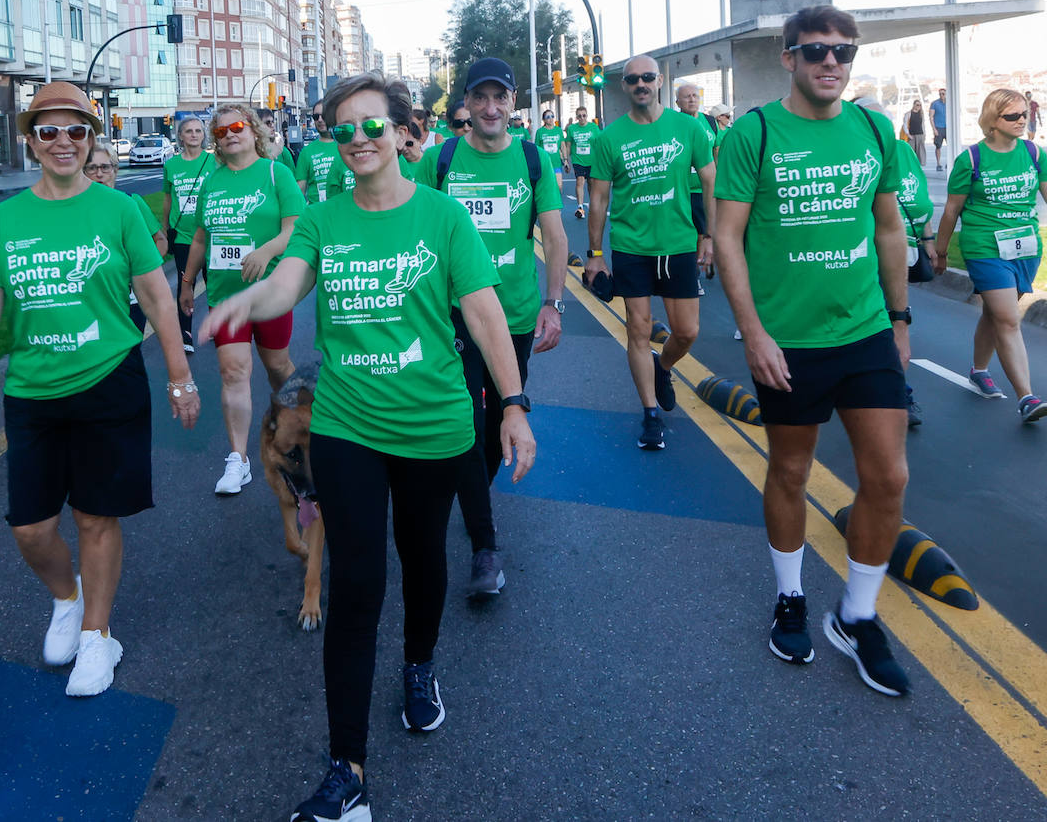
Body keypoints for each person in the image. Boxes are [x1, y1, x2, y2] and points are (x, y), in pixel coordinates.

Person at [200, 71, 535, 822]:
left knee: (422, 564)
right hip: (347, 426)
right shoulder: (323, 219)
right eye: (342, 130)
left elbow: (483, 316)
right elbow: (289, 288)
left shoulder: (445, 218)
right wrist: (244, 303)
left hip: (435, 426)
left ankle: (419, 667)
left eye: (370, 126)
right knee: (357, 586)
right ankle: (346, 769)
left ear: (402, 130)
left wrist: (512, 406)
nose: (357, 140)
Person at [0, 82, 201, 696]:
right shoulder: (8, 219)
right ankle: (67, 597)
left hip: (109, 380)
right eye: (49, 131)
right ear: (30, 140)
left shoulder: (119, 210)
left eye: (76, 131)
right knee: (30, 526)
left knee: (94, 516)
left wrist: (180, 376)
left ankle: (97, 637)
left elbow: (157, 298)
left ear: (91, 139)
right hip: (33, 389)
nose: (63, 141)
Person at [713, 5, 913, 696]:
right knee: (791, 471)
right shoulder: (755, 134)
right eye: (817, 51)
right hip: (788, 342)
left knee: (888, 478)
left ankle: (856, 615)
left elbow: (889, 228)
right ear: (790, 59)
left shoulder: (873, 129)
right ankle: (791, 596)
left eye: (844, 52)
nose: (832, 63)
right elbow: (729, 239)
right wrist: (755, 332)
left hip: (863, 333)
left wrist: (899, 317)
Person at [416, 56, 567, 596]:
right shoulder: (442, 159)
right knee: (467, 419)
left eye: (499, 97)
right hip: (455, 314)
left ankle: (471, 490)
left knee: (502, 414)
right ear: (466, 105)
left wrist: (554, 303)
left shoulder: (532, 159)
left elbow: (553, 234)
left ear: (512, 103)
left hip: (518, 314)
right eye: (479, 98)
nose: (489, 107)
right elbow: (416, 224)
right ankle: (484, 546)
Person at [585, 54, 714, 451]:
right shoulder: (609, 139)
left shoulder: (689, 128)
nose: (640, 84)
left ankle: (664, 367)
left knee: (687, 331)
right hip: (631, 248)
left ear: (659, 81)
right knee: (638, 330)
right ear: (623, 87)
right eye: (632, 79)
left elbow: (710, 180)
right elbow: (599, 199)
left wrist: (707, 235)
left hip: (677, 245)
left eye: (647, 77)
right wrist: (594, 253)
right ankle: (650, 415)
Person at [180, 105, 302, 494]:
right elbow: (200, 237)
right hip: (223, 293)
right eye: (221, 132)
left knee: (279, 368)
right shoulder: (212, 182)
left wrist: (266, 252)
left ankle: (298, 428)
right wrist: (186, 283)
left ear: (253, 131)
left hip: (268, 293)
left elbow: (295, 228)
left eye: (236, 127)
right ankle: (239, 460)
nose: (229, 135)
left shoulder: (275, 173)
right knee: (233, 372)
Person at [934, 88, 1047, 423]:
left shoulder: (1033, 152)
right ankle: (1027, 397)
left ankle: (978, 369)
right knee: (1010, 320)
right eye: (1012, 116)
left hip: (1025, 247)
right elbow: (952, 209)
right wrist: (940, 251)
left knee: (996, 315)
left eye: (1024, 113)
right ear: (992, 121)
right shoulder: (971, 159)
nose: (1022, 120)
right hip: (985, 248)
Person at [858, 98, 935, 428]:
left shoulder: (902, 152)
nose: (880, 127)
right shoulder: (849, 153)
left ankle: (893, 393)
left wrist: (929, 239)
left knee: (892, 321)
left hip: (897, 254)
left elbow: (919, 197)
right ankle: (890, 393)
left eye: (884, 121)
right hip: (858, 257)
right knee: (877, 324)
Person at [84, 145, 169, 332]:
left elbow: (160, 241)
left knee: (130, 354)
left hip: (130, 296)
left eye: (105, 167)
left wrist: (139, 273)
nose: (99, 174)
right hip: (93, 297)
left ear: (115, 170)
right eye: (91, 168)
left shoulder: (132, 202)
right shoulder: (76, 212)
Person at [162, 117, 216, 352]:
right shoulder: (171, 165)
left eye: (198, 131)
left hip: (212, 235)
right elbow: (167, 198)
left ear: (204, 135)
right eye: (188, 131)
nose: (194, 135)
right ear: (180, 136)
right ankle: (186, 335)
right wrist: (165, 226)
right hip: (183, 236)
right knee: (186, 283)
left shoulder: (214, 162)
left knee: (214, 282)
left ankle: (216, 327)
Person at [676, 82, 720, 246]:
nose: (692, 100)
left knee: (704, 231)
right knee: (685, 232)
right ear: (678, 103)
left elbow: (715, 151)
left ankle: (699, 264)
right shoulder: (674, 123)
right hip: (682, 189)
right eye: (687, 97)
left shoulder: (709, 121)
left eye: (695, 96)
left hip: (704, 189)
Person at [295, 100, 340, 203]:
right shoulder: (306, 152)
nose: (320, 120)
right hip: (317, 215)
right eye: (316, 117)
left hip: (342, 213)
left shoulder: (346, 146)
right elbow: (299, 190)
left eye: (323, 115)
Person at [565, 105, 601, 219]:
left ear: (587, 116)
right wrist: (566, 160)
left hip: (592, 160)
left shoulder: (593, 128)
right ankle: (580, 207)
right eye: (579, 116)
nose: (582, 118)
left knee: (591, 182)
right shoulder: (572, 129)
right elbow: (568, 144)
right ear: (576, 117)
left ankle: (592, 205)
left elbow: (599, 143)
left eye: (584, 116)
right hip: (578, 160)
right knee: (580, 181)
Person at [533, 109, 566, 193]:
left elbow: (562, 145)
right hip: (544, 163)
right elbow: (536, 148)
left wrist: (565, 160)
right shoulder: (540, 132)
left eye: (552, 116)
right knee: (546, 187)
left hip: (556, 163)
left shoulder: (558, 130)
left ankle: (557, 204)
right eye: (548, 117)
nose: (551, 119)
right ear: (544, 120)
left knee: (559, 186)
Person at [257, 107, 298, 173]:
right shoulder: (252, 152)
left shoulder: (282, 151)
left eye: (273, 122)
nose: (272, 125)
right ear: (257, 126)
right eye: (268, 123)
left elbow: (293, 177)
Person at [930, 87, 948, 170]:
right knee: (938, 147)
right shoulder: (934, 103)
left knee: (950, 147)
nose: (941, 95)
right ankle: (938, 164)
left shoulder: (950, 103)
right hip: (939, 128)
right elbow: (931, 117)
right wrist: (934, 129)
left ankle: (949, 162)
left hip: (948, 128)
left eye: (943, 93)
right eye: (940, 94)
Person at [905, 98, 927, 166]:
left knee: (920, 151)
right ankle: (911, 164)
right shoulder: (908, 114)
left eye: (920, 105)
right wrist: (908, 134)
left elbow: (923, 124)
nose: (918, 106)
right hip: (912, 135)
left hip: (920, 134)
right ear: (914, 105)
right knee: (911, 151)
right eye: (917, 105)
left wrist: (924, 134)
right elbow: (905, 124)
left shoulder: (921, 114)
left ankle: (920, 164)